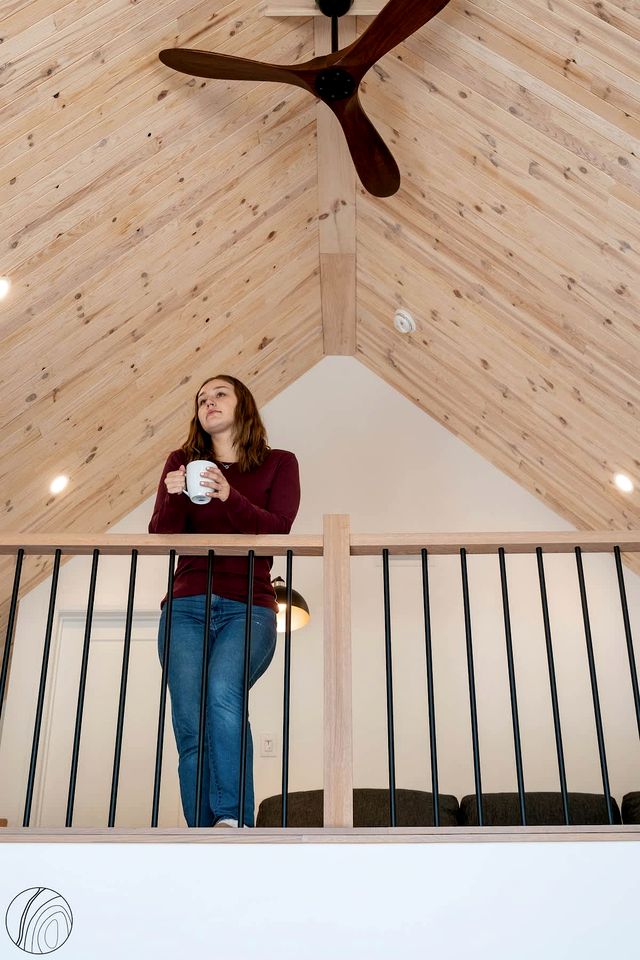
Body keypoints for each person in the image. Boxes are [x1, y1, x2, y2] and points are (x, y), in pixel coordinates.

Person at [149, 374, 300, 828]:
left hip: (248, 606)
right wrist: (175, 495)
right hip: (186, 604)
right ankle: (201, 830)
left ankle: (233, 820)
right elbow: (163, 535)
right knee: (190, 720)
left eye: (219, 395)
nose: (208, 403)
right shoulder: (180, 461)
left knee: (222, 695)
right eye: (201, 399)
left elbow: (278, 528)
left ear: (243, 406)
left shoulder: (279, 463)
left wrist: (230, 497)